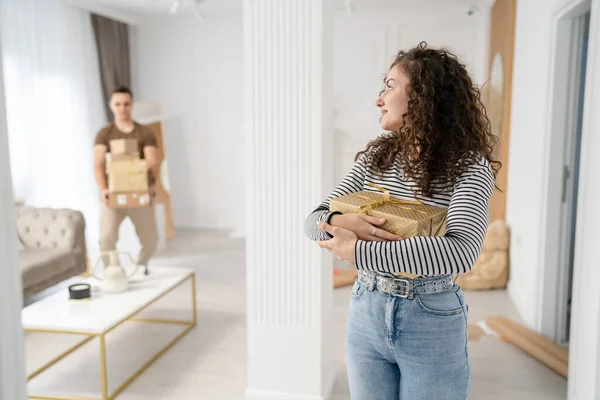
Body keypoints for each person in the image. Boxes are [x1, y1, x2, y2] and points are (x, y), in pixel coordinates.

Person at [304, 42, 500, 400]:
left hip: (431, 318)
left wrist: (358, 250)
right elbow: (314, 220)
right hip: (365, 308)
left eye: (390, 86)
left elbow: (459, 252)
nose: (379, 99)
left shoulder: (470, 167)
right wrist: (339, 217)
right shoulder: (377, 155)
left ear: (423, 96)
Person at [93, 86, 160, 275]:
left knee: (151, 240)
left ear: (132, 105)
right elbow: (98, 163)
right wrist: (104, 189)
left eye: (126, 104)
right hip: (112, 197)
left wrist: (150, 185)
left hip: (140, 195)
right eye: (118, 104)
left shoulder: (145, 133)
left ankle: (139, 267)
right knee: (106, 238)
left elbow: (152, 162)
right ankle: (114, 273)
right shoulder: (104, 134)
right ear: (111, 106)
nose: (122, 108)